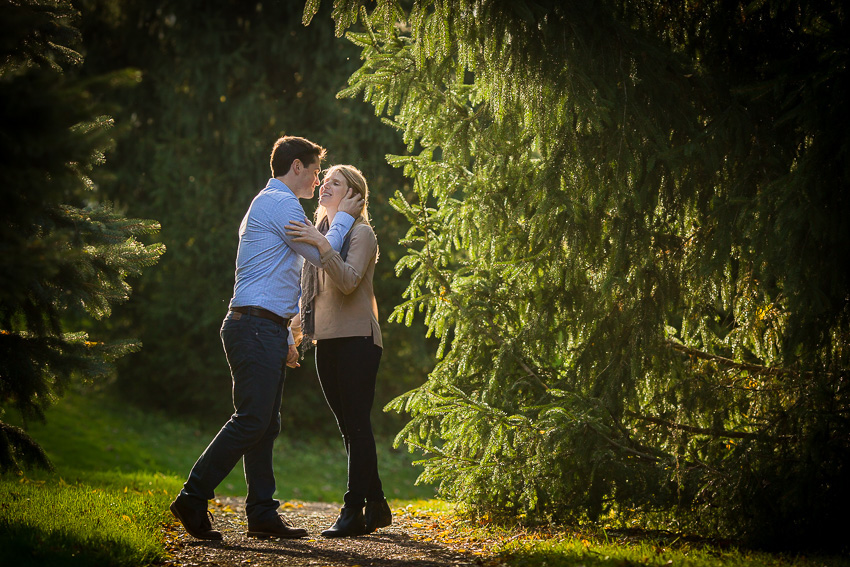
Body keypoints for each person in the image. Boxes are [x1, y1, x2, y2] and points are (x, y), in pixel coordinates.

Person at [169, 136, 364, 540]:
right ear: (296, 167)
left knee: (265, 424)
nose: (316, 181)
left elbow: (284, 275)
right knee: (252, 419)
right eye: (314, 172)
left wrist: (285, 335)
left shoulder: (276, 203)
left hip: (265, 326)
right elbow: (322, 253)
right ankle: (192, 496)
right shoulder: (279, 204)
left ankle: (261, 512)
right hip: (253, 325)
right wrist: (344, 215)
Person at [285, 164, 392, 538]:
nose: (325, 185)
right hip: (325, 342)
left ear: (353, 194)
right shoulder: (321, 234)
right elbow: (309, 296)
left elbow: (346, 282)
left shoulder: (361, 234)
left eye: (336, 182)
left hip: (359, 341)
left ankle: (353, 511)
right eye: (325, 180)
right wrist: (293, 336)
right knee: (350, 429)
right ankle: (376, 503)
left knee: (358, 426)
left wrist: (322, 245)